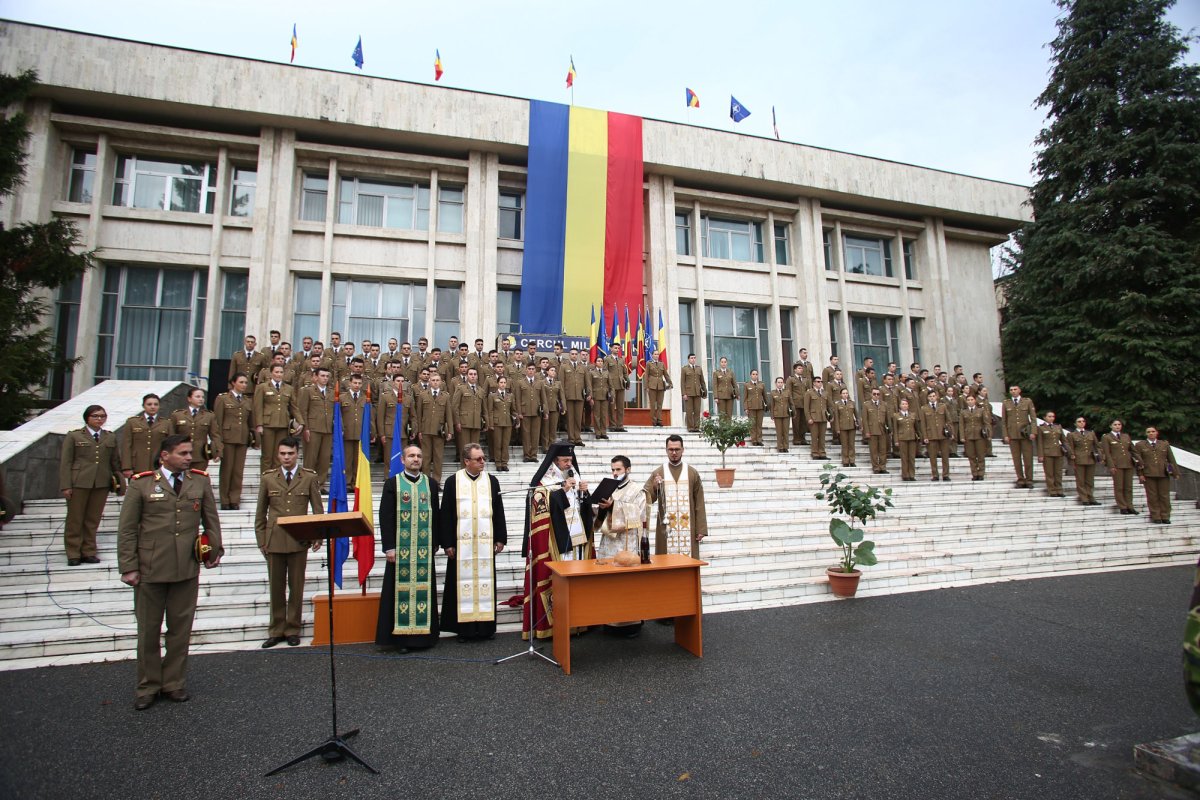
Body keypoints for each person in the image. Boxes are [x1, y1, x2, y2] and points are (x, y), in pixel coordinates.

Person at [118, 435, 222, 711]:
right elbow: (127, 528)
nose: (189, 458)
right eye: (183, 453)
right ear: (164, 456)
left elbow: (210, 520)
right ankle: (148, 685)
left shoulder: (199, 481)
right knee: (149, 631)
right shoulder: (141, 484)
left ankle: (174, 682)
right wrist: (128, 566)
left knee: (180, 630)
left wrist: (214, 551)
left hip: (186, 567)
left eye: (190, 453)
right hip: (150, 568)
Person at [521, 442, 593, 640]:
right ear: (554, 461)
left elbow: (583, 507)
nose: (569, 464)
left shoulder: (574, 476)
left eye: (571, 460)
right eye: (565, 460)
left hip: (577, 539)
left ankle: (578, 622)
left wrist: (585, 494)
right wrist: (562, 491)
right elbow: (543, 508)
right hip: (556, 542)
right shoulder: (544, 482)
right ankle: (554, 624)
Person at [254, 437, 321, 648]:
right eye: (282, 453)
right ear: (277, 454)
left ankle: (292, 628)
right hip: (274, 540)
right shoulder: (268, 478)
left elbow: (317, 509)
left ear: (297, 454)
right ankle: (276, 629)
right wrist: (261, 540)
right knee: (276, 587)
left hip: (298, 539)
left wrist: (317, 535)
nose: (286, 457)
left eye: (290, 453)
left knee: (296, 586)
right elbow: (260, 513)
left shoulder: (309, 477)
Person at [376, 445, 442, 651]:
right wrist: (389, 548)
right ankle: (401, 639)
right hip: (400, 551)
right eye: (411, 456)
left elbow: (437, 517)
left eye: (419, 456)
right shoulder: (393, 484)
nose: (416, 459)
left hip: (422, 550)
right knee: (398, 593)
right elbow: (385, 517)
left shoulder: (430, 484)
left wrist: (435, 543)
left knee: (424, 591)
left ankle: (425, 638)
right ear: (403, 460)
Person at [440, 444, 507, 642]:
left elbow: (499, 511)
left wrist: (500, 538)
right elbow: (446, 514)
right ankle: (465, 630)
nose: (482, 462)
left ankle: (486, 629)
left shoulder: (492, 481)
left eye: (483, 458)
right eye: (477, 459)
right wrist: (447, 543)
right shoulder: (453, 481)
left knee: (485, 583)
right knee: (462, 584)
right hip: (462, 546)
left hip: (485, 544)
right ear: (466, 461)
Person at [60, 405, 122, 566]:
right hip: (79, 482)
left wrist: (119, 481)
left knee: (92, 519)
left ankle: (89, 551)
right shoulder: (74, 436)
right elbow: (66, 462)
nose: (99, 419)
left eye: (102, 416)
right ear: (87, 418)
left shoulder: (109, 437)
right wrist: (66, 485)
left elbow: (114, 461)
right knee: (75, 519)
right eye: (95, 416)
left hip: (101, 482)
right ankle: (73, 552)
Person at [593, 454, 648, 637]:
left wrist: (613, 506)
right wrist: (601, 509)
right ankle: (608, 621)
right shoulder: (608, 488)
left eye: (618, 469)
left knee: (627, 584)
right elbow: (599, 520)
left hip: (627, 543)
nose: (615, 473)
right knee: (608, 583)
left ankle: (631, 624)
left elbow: (639, 516)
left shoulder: (637, 490)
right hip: (609, 543)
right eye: (613, 470)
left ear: (628, 470)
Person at [644, 435, 707, 559]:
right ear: (666, 450)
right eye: (671, 449)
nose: (674, 453)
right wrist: (655, 487)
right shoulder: (658, 472)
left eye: (677, 449)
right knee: (666, 563)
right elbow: (645, 498)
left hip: (688, 527)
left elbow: (699, 501)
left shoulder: (692, 473)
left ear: (683, 450)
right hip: (666, 528)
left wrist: (701, 528)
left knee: (689, 562)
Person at [213, 374, 255, 510]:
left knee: (238, 471)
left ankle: (234, 499)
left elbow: (251, 422)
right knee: (227, 470)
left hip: (242, 438)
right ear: (233, 383)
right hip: (227, 438)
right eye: (241, 382)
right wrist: (218, 443)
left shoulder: (248, 400)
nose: (244, 385)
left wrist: (254, 438)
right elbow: (217, 422)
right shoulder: (223, 398)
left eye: (245, 382)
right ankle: (224, 499)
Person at [254, 363, 301, 473]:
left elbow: (294, 407)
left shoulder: (289, 388)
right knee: (267, 456)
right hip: (268, 424)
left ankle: (276, 482)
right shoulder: (262, 387)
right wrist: (259, 425)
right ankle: (266, 482)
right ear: (271, 373)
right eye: (276, 372)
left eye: (281, 372)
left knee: (279, 456)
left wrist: (301, 422)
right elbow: (258, 407)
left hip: (283, 425)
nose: (279, 374)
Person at [297, 366, 335, 486]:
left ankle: (320, 484)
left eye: (327, 376)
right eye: (322, 376)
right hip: (313, 429)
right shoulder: (307, 391)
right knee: (310, 459)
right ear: (315, 377)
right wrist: (305, 428)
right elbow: (303, 410)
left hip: (327, 429)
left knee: (324, 460)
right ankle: (306, 484)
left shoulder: (332, 392)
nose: (325, 378)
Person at [120, 393, 173, 479]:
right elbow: (126, 446)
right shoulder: (132, 422)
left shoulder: (166, 423)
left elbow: (170, 446)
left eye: (156, 404)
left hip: (158, 465)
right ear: (143, 406)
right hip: (137, 465)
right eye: (149, 404)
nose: (153, 407)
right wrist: (126, 467)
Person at [1134, 427, 1177, 524]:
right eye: (1148, 432)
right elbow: (1138, 461)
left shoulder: (1164, 444)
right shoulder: (1140, 445)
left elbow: (1171, 459)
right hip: (1148, 474)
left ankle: (1165, 516)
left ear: (1157, 433)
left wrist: (1175, 472)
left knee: (1164, 496)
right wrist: (1140, 474)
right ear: (1146, 434)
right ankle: (1156, 516)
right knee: (1152, 496)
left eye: (1153, 431)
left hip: (1163, 473)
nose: (1151, 433)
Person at [169, 388, 218, 472]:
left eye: (202, 397)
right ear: (189, 399)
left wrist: (217, 452)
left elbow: (215, 435)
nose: (201, 399)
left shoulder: (209, 416)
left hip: (200, 455)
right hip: (181, 454)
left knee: (198, 480)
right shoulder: (177, 415)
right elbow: (171, 436)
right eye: (197, 396)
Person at [1002, 385, 1037, 488]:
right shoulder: (1006, 403)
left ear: (1019, 390)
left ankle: (1029, 479)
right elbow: (1004, 421)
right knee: (1016, 459)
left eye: (1015, 389)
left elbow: (1033, 418)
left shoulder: (1027, 401)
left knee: (1028, 458)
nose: (1013, 391)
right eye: (1011, 390)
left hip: (1025, 434)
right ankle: (1020, 479)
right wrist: (1005, 435)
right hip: (1013, 435)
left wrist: (1033, 432)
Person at [1101, 420, 1138, 515]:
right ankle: (1123, 506)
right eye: (1115, 424)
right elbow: (1107, 453)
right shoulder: (1107, 437)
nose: (1117, 426)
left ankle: (1130, 506)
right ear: (1111, 426)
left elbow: (1132, 450)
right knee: (1119, 487)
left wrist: (1139, 460)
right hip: (1117, 465)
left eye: (1119, 424)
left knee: (1128, 487)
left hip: (1128, 464)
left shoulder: (1126, 436)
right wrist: (1111, 465)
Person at [1066, 417, 1100, 506]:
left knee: (1090, 480)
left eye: (1083, 421)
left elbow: (1097, 446)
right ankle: (1084, 498)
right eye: (1079, 421)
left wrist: (1099, 456)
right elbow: (1071, 448)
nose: (1081, 423)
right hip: (1079, 459)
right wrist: (1072, 461)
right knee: (1081, 480)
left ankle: (1090, 496)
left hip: (1090, 459)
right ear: (1075, 424)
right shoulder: (1072, 435)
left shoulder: (1091, 433)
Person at [919, 389, 952, 481]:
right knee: (932, 457)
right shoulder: (924, 408)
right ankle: (935, 475)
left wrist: (949, 432)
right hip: (931, 435)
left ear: (936, 396)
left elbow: (948, 420)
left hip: (943, 435)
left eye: (933, 396)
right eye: (930, 396)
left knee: (945, 456)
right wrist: (925, 436)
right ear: (927, 398)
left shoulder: (943, 406)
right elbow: (923, 424)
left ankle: (945, 474)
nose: (932, 398)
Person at [486, 376, 516, 471]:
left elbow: (513, 410)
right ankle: (498, 463)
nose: (503, 384)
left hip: (507, 423)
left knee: (505, 443)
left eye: (504, 382)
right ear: (497, 383)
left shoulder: (510, 395)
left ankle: (504, 463)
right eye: (501, 382)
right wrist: (490, 423)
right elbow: (490, 410)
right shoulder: (492, 395)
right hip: (497, 422)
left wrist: (516, 420)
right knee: (497, 443)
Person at [959, 392, 990, 480]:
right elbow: (961, 425)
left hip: (980, 435)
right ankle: (974, 474)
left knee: (980, 455)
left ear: (975, 401)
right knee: (971, 456)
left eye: (972, 399)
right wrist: (962, 436)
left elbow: (986, 423)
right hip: (968, 435)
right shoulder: (963, 411)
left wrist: (988, 434)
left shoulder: (981, 410)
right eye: (968, 400)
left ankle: (981, 473)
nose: (970, 401)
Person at [1036, 411, 1068, 497]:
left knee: (1058, 473)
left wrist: (1068, 450)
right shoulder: (1041, 428)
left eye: (1053, 416)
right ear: (1045, 417)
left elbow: (1064, 440)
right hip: (1047, 453)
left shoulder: (1058, 427)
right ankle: (1052, 490)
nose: (1051, 418)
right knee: (1049, 473)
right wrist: (1040, 455)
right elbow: (1039, 442)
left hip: (1058, 452)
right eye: (1049, 416)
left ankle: (1059, 490)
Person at [561, 348, 588, 445]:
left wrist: (589, 394)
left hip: (580, 396)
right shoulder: (564, 366)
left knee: (578, 418)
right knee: (570, 418)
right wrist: (562, 398)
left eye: (576, 354)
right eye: (572, 354)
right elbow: (561, 383)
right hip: (568, 396)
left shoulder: (583, 367)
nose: (574, 356)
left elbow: (587, 382)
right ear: (569, 355)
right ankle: (571, 438)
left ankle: (578, 438)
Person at [891, 398, 920, 481]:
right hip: (902, 438)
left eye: (906, 404)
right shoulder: (896, 415)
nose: (904, 405)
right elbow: (895, 429)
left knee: (911, 457)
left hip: (911, 438)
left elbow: (916, 427)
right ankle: (905, 475)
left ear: (908, 405)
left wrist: (919, 436)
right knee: (904, 457)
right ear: (900, 406)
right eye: (903, 404)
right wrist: (896, 440)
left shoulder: (913, 414)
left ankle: (912, 475)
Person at [862, 387, 889, 473]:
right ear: (871, 394)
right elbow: (865, 419)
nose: (876, 396)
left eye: (878, 394)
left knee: (883, 450)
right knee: (873, 450)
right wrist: (866, 431)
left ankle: (883, 467)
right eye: (874, 394)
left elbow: (887, 419)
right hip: (872, 430)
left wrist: (889, 429)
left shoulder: (884, 404)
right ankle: (876, 467)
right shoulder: (866, 405)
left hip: (882, 430)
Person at [804, 377, 830, 459]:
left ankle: (822, 453)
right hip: (814, 418)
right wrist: (809, 418)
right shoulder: (809, 393)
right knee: (814, 436)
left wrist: (830, 416)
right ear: (814, 383)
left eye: (821, 381)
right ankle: (815, 453)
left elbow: (829, 405)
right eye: (818, 382)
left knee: (822, 437)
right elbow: (806, 407)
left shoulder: (825, 393)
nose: (820, 383)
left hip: (823, 417)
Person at [680, 353, 707, 432]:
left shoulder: (699, 368)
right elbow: (682, 382)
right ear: (688, 359)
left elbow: (702, 381)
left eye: (694, 358)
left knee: (697, 411)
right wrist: (683, 393)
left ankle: (696, 427)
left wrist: (704, 392)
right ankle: (690, 427)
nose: (693, 359)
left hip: (697, 393)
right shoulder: (684, 369)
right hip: (688, 393)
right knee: (689, 411)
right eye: (691, 358)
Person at [832, 388, 858, 467]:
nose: (845, 395)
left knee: (851, 444)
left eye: (846, 393)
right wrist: (837, 428)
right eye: (843, 393)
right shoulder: (837, 404)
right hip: (842, 426)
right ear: (840, 395)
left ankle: (852, 460)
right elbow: (836, 417)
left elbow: (856, 415)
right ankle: (845, 461)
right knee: (844, 444)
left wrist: (859, 424)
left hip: (851, 426)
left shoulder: (852, 403)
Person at [643, 355, 672, 427]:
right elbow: (646, 375)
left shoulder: (661, 364)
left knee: (659, 404)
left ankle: (659, 420)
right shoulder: (649, 363)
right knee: (652, 405)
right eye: (655, 354)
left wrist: (670, 382)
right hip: (651, 386)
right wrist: (646, 386)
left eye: (657, 354)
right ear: (652, 355)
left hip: (661, 386)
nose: (656, 355)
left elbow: (666, 374)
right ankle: (654, 420)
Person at [786, 361, 810, 447]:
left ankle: (802, 438)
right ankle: (796, 439)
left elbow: (809, 391)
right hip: (795, 403)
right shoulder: (791, 379)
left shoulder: (805, 379)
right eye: (799, 368)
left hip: (804, 404)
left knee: (803, 422)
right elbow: (789, 392)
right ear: (795, 370)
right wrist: (790, 404)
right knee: (796, 422)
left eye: (801, 368)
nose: (801, 370)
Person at [742, 370, 766, 446]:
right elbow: (745, 398)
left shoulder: (761, 384)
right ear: (750, 375)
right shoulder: (747, 385)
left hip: (760, 406)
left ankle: (759, 439)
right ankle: (754, 440)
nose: (755, 375)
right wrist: (746, 408)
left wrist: (767, 406)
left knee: (759, 424)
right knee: (752, 424)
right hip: (751, 407)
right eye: (753, 374)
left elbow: (765, 396)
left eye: (756, 374)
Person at [769, 377, 791, 453]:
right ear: (776, 384)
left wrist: (793, 412)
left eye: (781, 382)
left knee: (785, 431)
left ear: (783, 383)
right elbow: (771, 405)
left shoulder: (787, 392)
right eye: (778, 382)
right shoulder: (773, 393)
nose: (780, 384)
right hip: (777, 414)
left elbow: (791, 403)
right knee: (779, 431)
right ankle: (780, 447)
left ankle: (785, 446)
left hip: (786, 414)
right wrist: (772, 415)